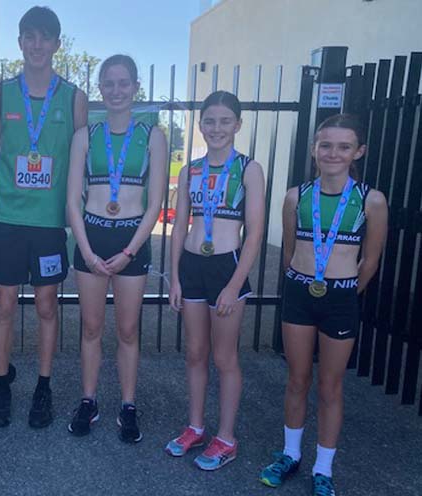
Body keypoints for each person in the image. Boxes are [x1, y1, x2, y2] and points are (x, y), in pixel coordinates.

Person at [259, 114, 387, 496]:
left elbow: (371, 261)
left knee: (330, 386)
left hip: (341, 298)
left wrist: (345, 291)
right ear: (314, 149)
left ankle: (323, 468)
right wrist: (305, 280)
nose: (333, 153)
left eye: (344, 146)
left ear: (358, 152)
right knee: (297, 379)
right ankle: (290, 454)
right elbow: (289, 251)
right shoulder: (296, 196)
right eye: (326, 145)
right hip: (300, 294)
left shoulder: (371, 200)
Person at [0, 5, 88, 428]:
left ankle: (43, 387)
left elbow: (79, 161)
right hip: (8, 218)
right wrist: (16, 185)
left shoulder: (74, 97)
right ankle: (3, 385)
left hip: (48, 223)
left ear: (57, 44)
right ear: (20, 42)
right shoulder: (0, 93)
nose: (37, 44)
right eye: (30, 36)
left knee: (47, 305)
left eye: (45, 37)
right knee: (4, 304)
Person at [65, 55, 166, 442]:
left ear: (136, 88)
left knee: (127, 330)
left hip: (131, 241)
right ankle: (88, 400)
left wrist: (129, 253)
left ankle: (128, 404)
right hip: (91, 238)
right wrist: (87, 251)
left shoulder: (153, 136)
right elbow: (72, 201)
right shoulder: (85, 136)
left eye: (124, 83)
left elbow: (155, 204)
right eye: (109, 83)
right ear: (100, 89)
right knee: (91, 327)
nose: (116, 90)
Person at [166, 90, 265, 470]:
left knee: (224, 357)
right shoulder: (189, 170)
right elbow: (179, 227)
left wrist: (234, 284)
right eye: (209, 121)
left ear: (237, 125)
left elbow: (254, 233)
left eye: (225, 121)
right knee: (195, 353)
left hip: (227, 268)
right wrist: (175, 278)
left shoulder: (249, 169)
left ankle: (226, 438)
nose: (217, 128)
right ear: (200, 124)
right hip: (192, 265)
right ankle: (195, 427)